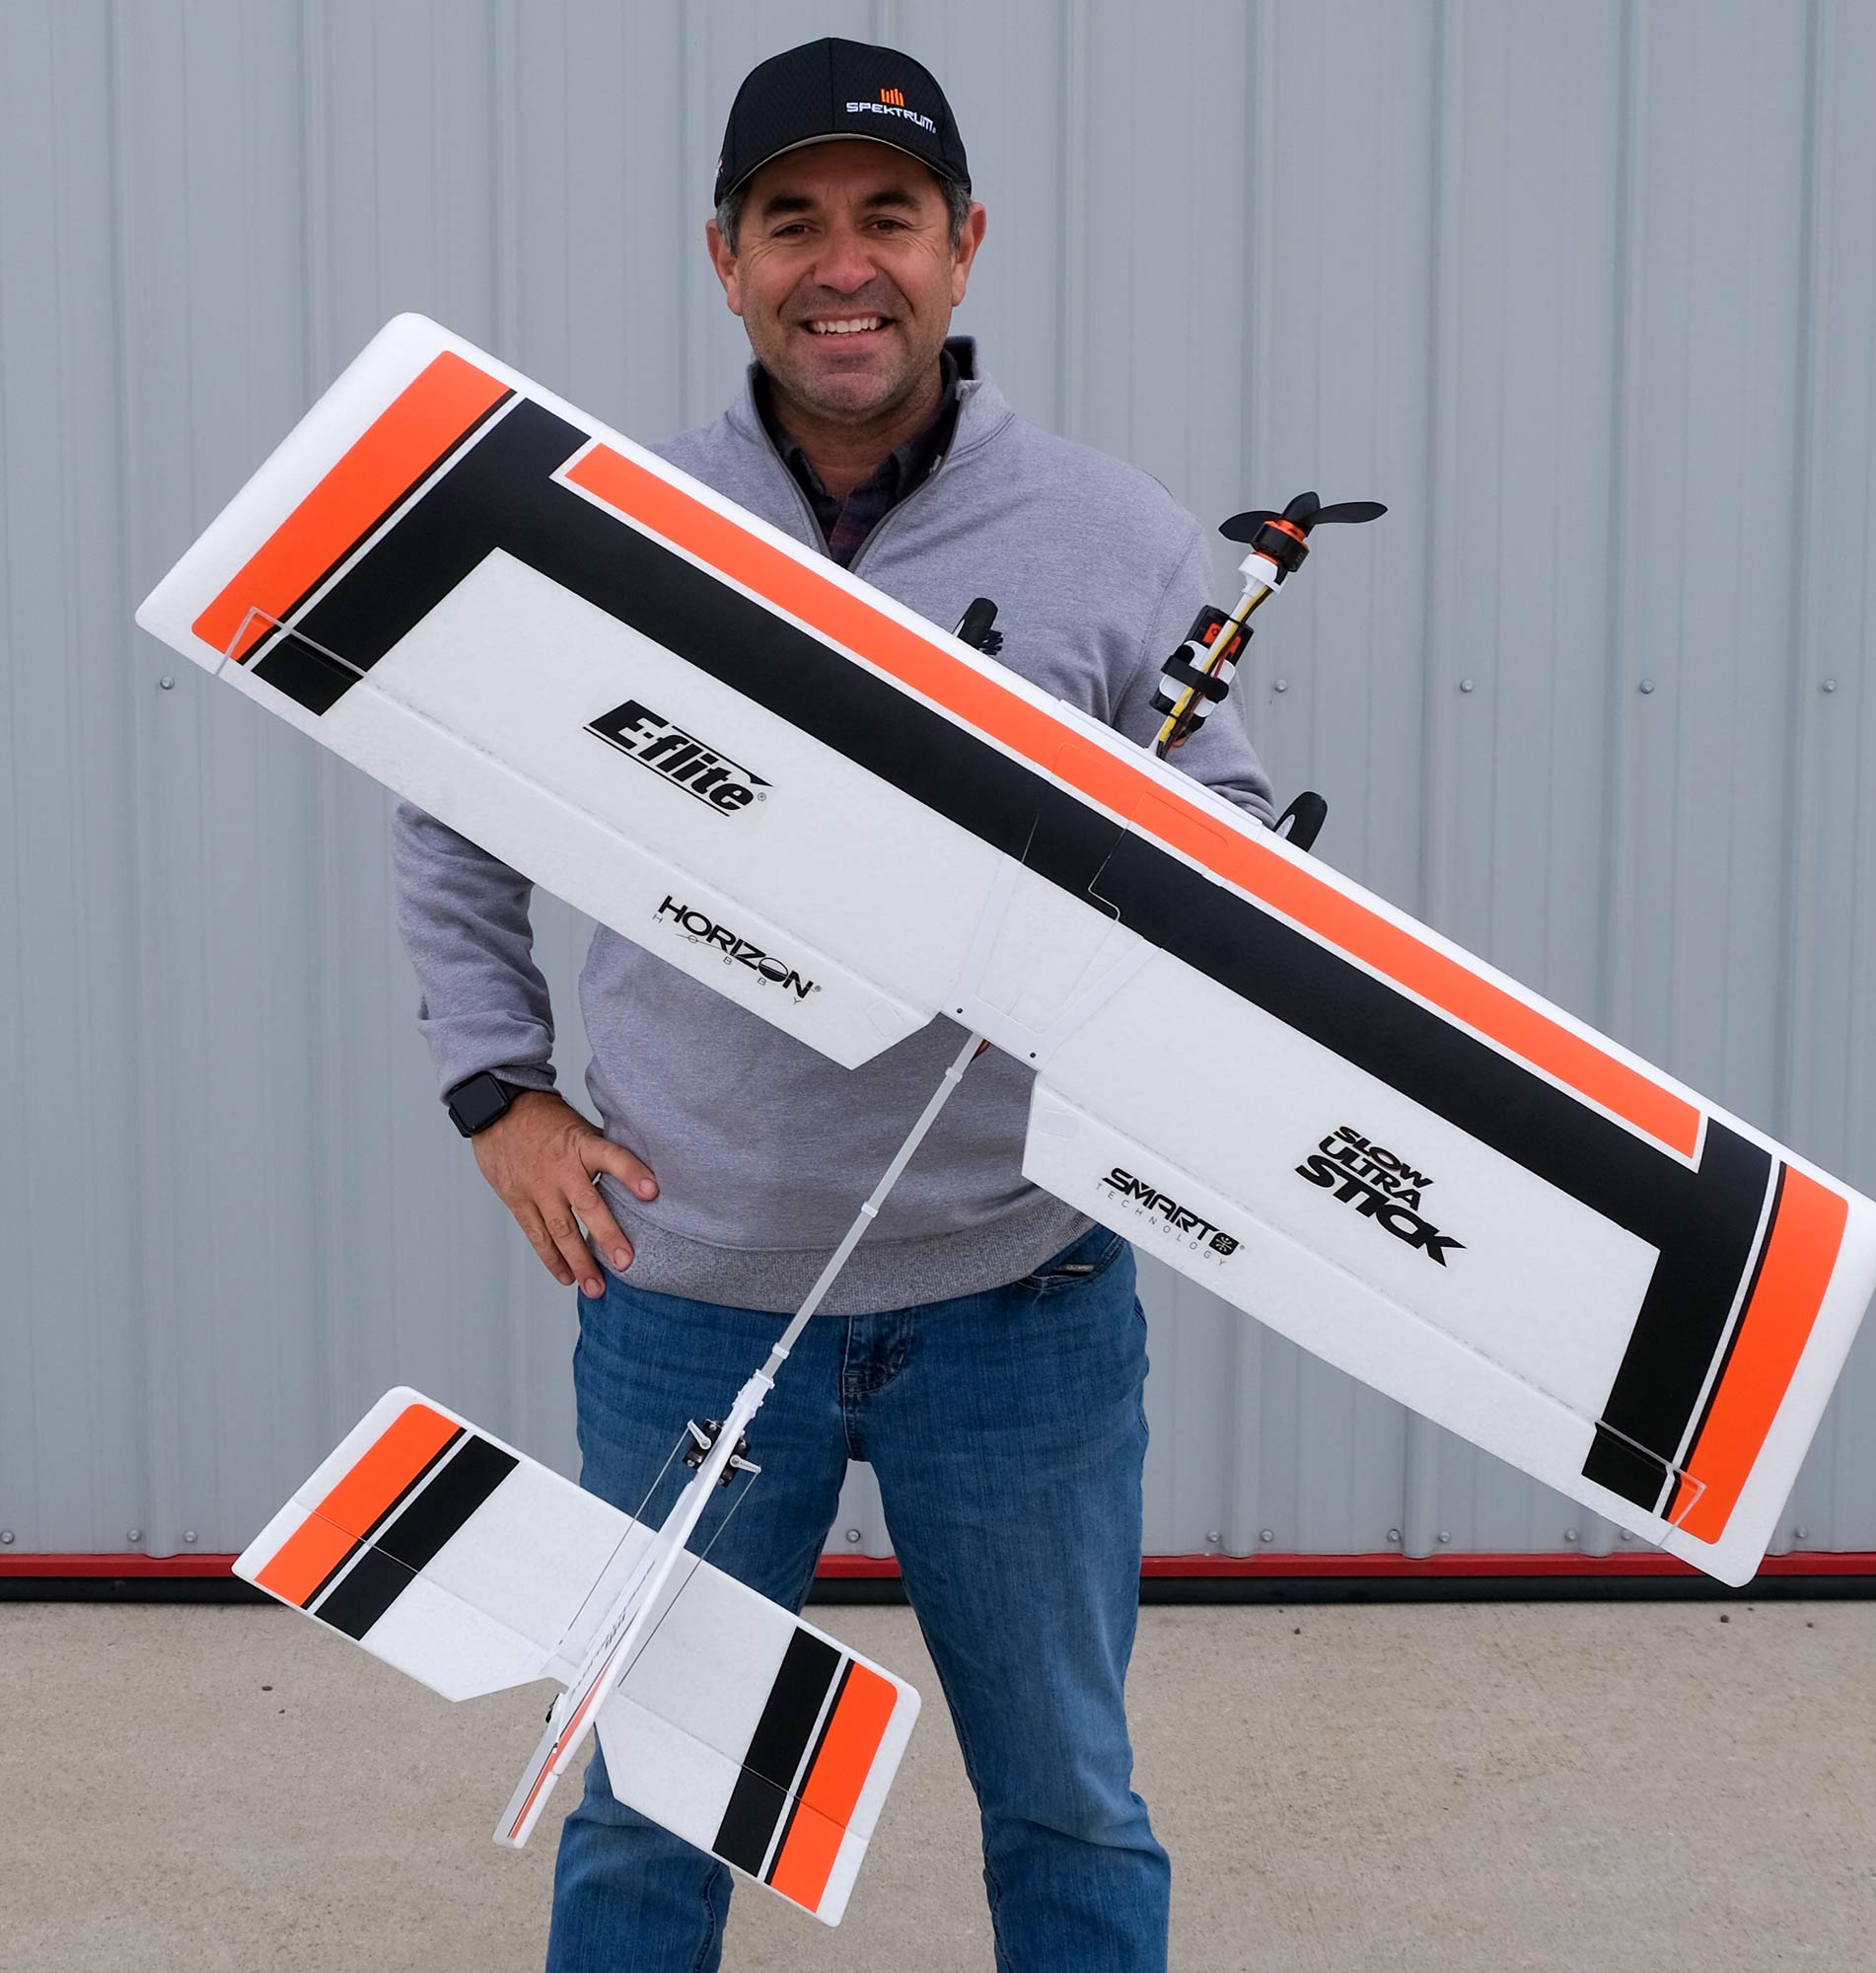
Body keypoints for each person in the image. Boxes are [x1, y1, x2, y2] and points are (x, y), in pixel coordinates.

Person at [391, 36, 1272, 1972]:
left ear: (965, 246)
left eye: (889, 216)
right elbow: (451, 802)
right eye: (791, 221)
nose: (842, 264)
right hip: (688, 1290)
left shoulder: (1116, 535)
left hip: (1021, 1295)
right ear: (726, 260)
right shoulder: (616, 519)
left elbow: (1226, 870)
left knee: (1068, 1795)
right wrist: (496, 1090)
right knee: (646, 1809)